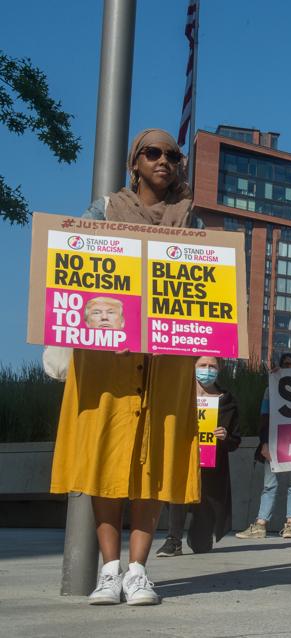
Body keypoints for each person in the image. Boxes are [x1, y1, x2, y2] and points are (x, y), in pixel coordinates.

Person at [50, 128, 199, 606]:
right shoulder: (103, 210)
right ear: (135, 162)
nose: (164, 161)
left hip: (166, 360)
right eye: (153, 153)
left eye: (173, 155)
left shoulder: (191, 218)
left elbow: (207, 293)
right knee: (106, 458)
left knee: (153, 462)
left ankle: (139, 571)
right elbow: (72, 267)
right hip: (107, 357)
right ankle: (108, 570)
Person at [157, 357, 241, 557]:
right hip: (182, 459)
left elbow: (235, 441)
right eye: (202, 365)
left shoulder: (227, 401)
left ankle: (198, 532)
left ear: (219, 368)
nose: (207, 369)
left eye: (212, 366)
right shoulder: (179, 397)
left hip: (211, 467)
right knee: (178, 494)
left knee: (201, 545)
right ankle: (173, 540)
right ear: (193, 368)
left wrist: (225, 436)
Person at [236, 352, 291, 540]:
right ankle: (260, 525)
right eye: (285, 364)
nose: (288, 367)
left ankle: (290, 525)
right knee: (269, 485)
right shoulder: (270, 389)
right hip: (275, 443)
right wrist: (265, 443)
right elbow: (264, 419)